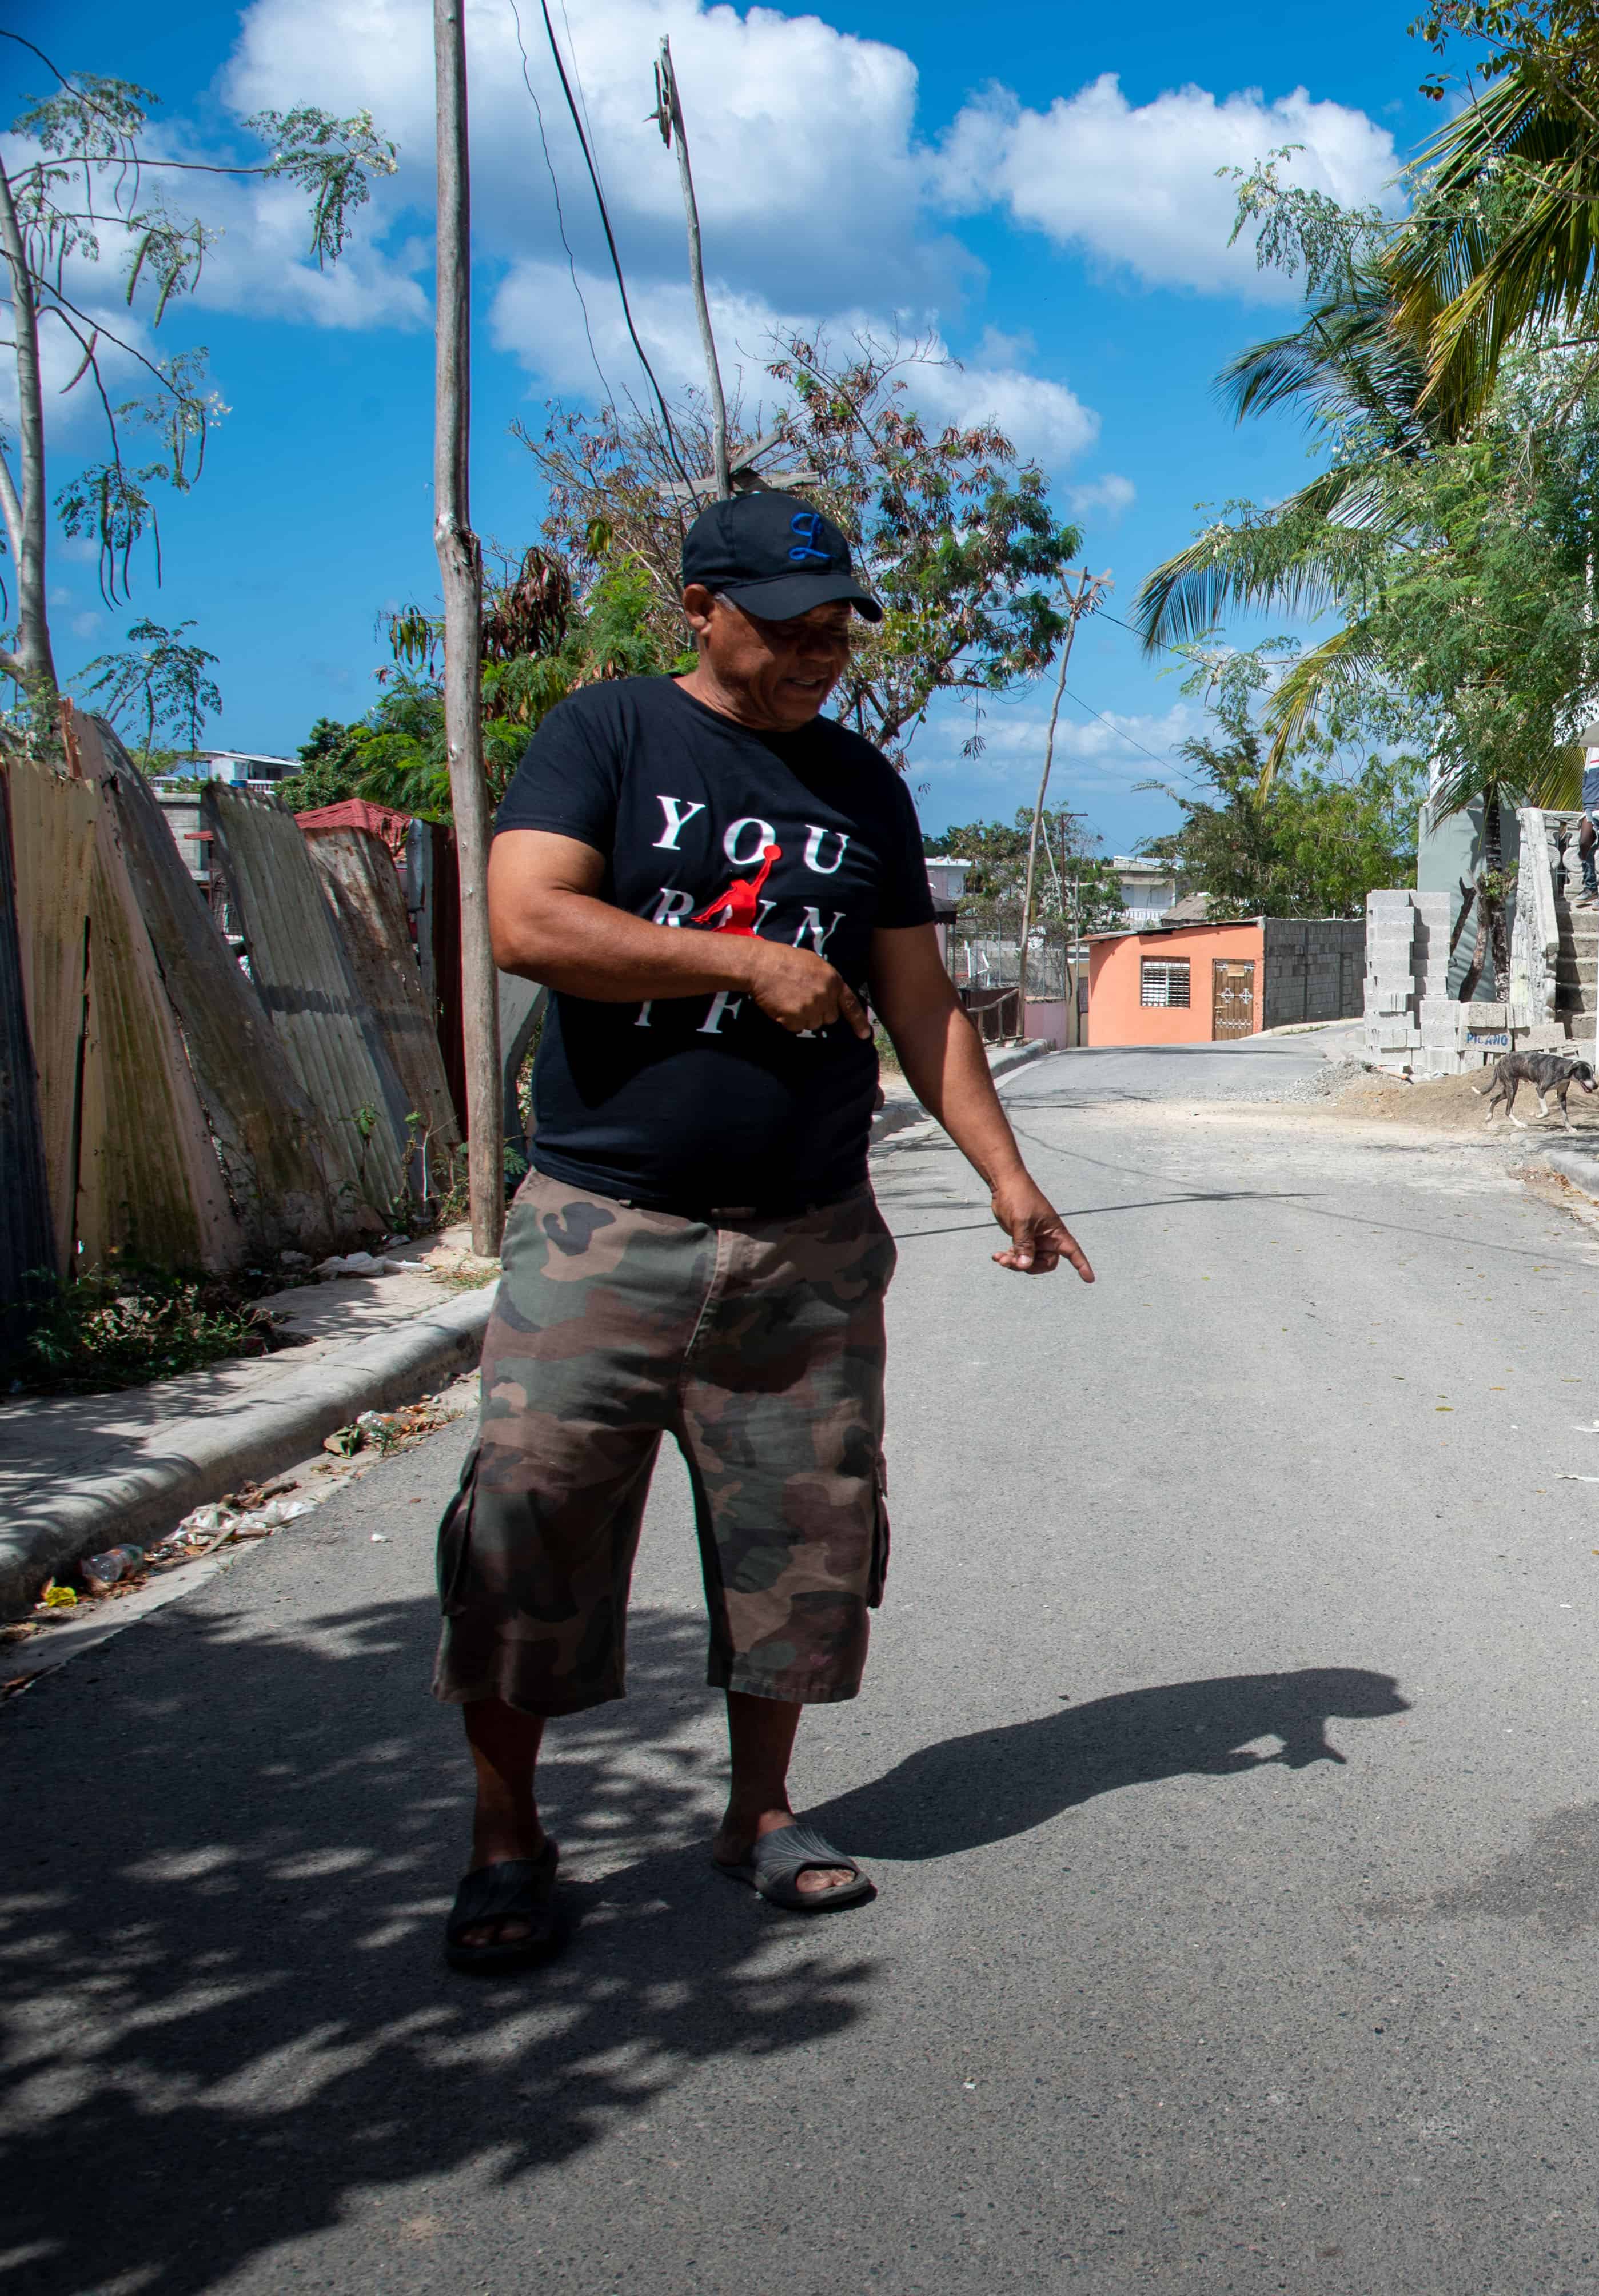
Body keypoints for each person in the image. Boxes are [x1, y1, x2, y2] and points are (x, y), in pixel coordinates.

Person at [435, 488, 1094, 1974]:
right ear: (700, 612)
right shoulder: (605, 736)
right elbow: (529, 923)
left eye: (838, 626)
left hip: (804, 1232)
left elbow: (921, 1004)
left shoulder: (863, 786)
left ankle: (764, 1812)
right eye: (787, 625)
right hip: (605, 1226)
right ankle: (504, 1840)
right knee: (525, 1522)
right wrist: (741, 960)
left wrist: (1006, 1173)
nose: (820, 651)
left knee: (798, 1541)